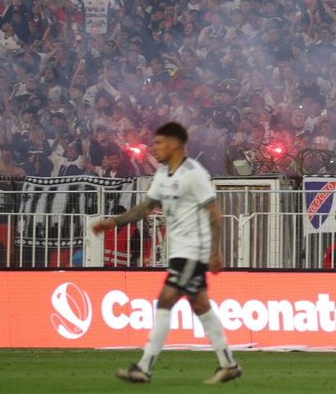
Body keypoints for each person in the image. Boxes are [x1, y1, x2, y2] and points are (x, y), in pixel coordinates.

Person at [91, 122, 241, 384]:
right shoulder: (161, 175)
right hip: (179, 252)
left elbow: (214, 214)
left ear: (174, 145)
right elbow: (146, 208)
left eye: (159, 143)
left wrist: (215, 252)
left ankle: (144, 367)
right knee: (201, 306)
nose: (154, 148)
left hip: (193, 251)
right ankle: (229, 364)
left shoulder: (194, 173)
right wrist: (114, 222)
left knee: (165, 301)